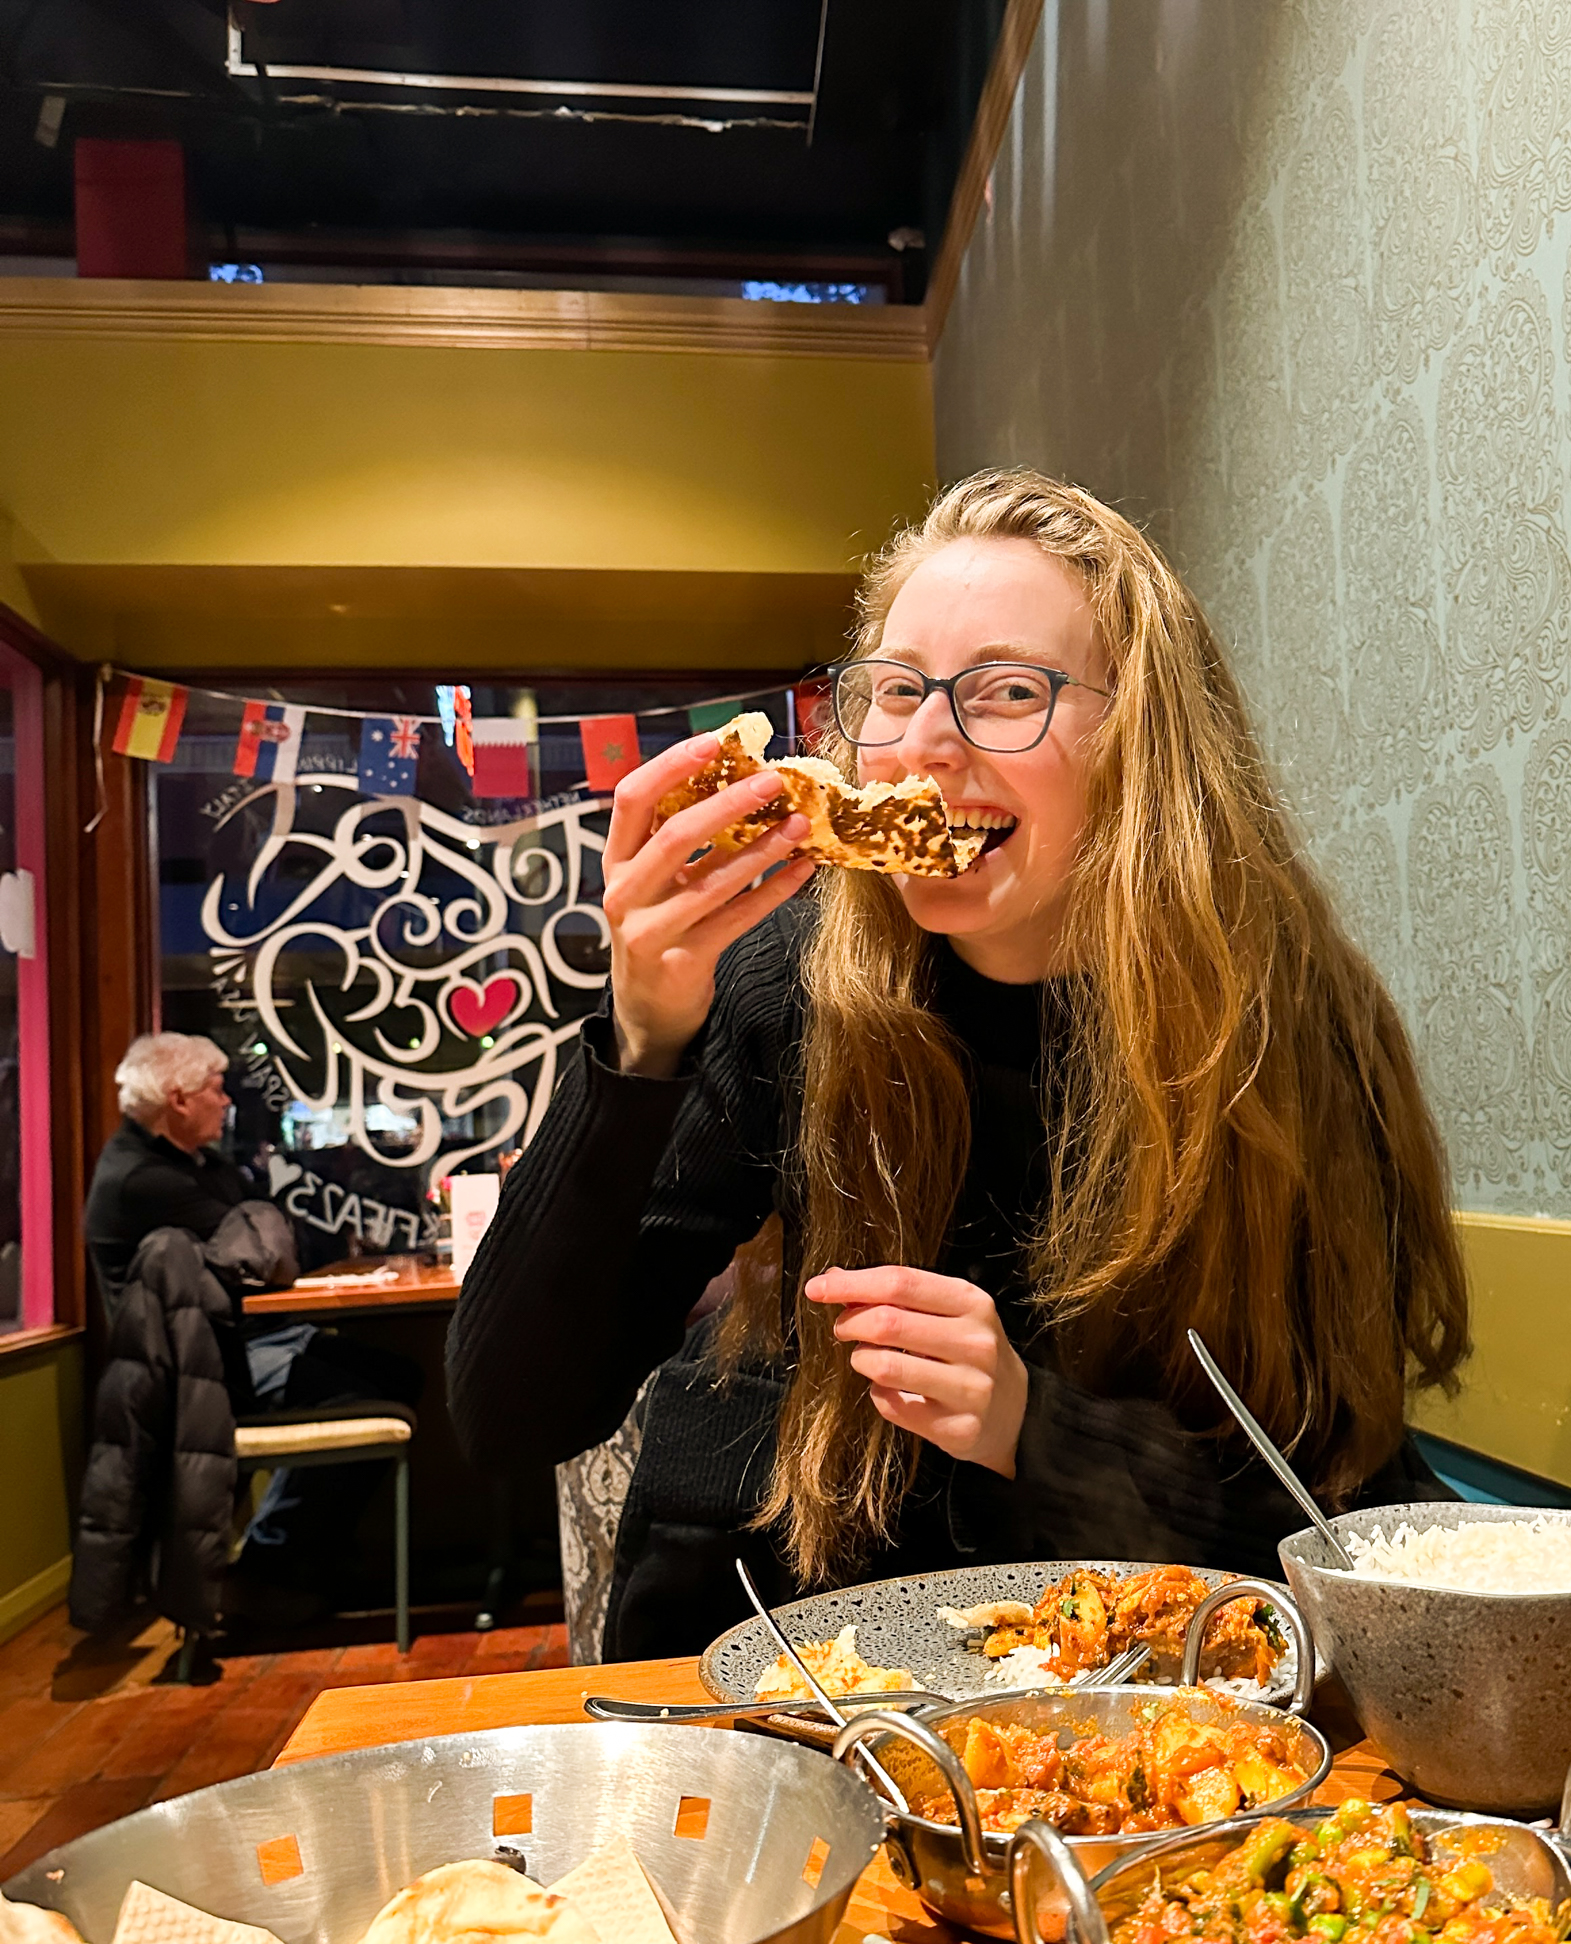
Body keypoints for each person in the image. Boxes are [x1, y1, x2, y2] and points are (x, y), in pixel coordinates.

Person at [447, 470, 1468, 1660]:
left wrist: (1033, 1429)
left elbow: (1330, 1505)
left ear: (1139, 736)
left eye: (1004, 692)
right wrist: (640, 1037)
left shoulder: (1284, 1021)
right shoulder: (791, 977)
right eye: (891, 692)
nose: (921, 745)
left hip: (1144, 1690)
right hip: (777, 1658)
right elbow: (510, 1410)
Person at [83, 1032, 418, 1609]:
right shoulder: (142, 1179)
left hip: (257, 1336)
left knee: (400, 1377)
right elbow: (272, 1251)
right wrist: (269, 1230)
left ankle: (307, 1554)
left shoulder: (197, 1163)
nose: (228, 1101)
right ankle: (272, 1561)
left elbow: (281, 1239)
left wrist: (271, 1230)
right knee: (354, 1397)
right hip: (207, 1366)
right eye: (216, 1090)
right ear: (178, 1098)